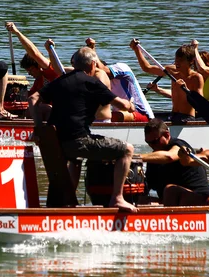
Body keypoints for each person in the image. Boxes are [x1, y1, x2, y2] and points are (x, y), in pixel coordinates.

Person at [28, 45, 138, 212]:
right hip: (77, 142)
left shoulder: (60, 81)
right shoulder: (92, 82)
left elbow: (33, 98)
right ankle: (117, 198)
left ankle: (66, 203)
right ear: (93, 65)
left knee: (76, 160)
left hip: (56, 144)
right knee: (127, 150)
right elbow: (121, 104)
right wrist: (130, 105)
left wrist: (37, 127)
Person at [137, 118, 209, 206]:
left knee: (171, 190)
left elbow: (170, 156)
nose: (151, 146)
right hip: (173, 201)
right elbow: (147, 188)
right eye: (148, 142)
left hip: (200, 198)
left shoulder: (179, 145)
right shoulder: (154, 159)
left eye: (154, 142)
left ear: (166, 135)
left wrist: (135, 157)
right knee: (142, 200)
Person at [130, 39, 203, 124]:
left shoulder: (196, 77)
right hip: (173, 116)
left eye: (181, 60)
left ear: (191, 61)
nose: (177, 63)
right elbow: (147, 68)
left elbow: (200, 104)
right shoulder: (171, 70)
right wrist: (136, 50)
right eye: (176, 59)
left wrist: (185, 89)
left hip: (187, 118)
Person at [85, 38, 153, 122]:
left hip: (141, 114)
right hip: (123, 113)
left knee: (110, 116)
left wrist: (91, 48)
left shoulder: (122, 68)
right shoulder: (101, 84)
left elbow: (102, 69)